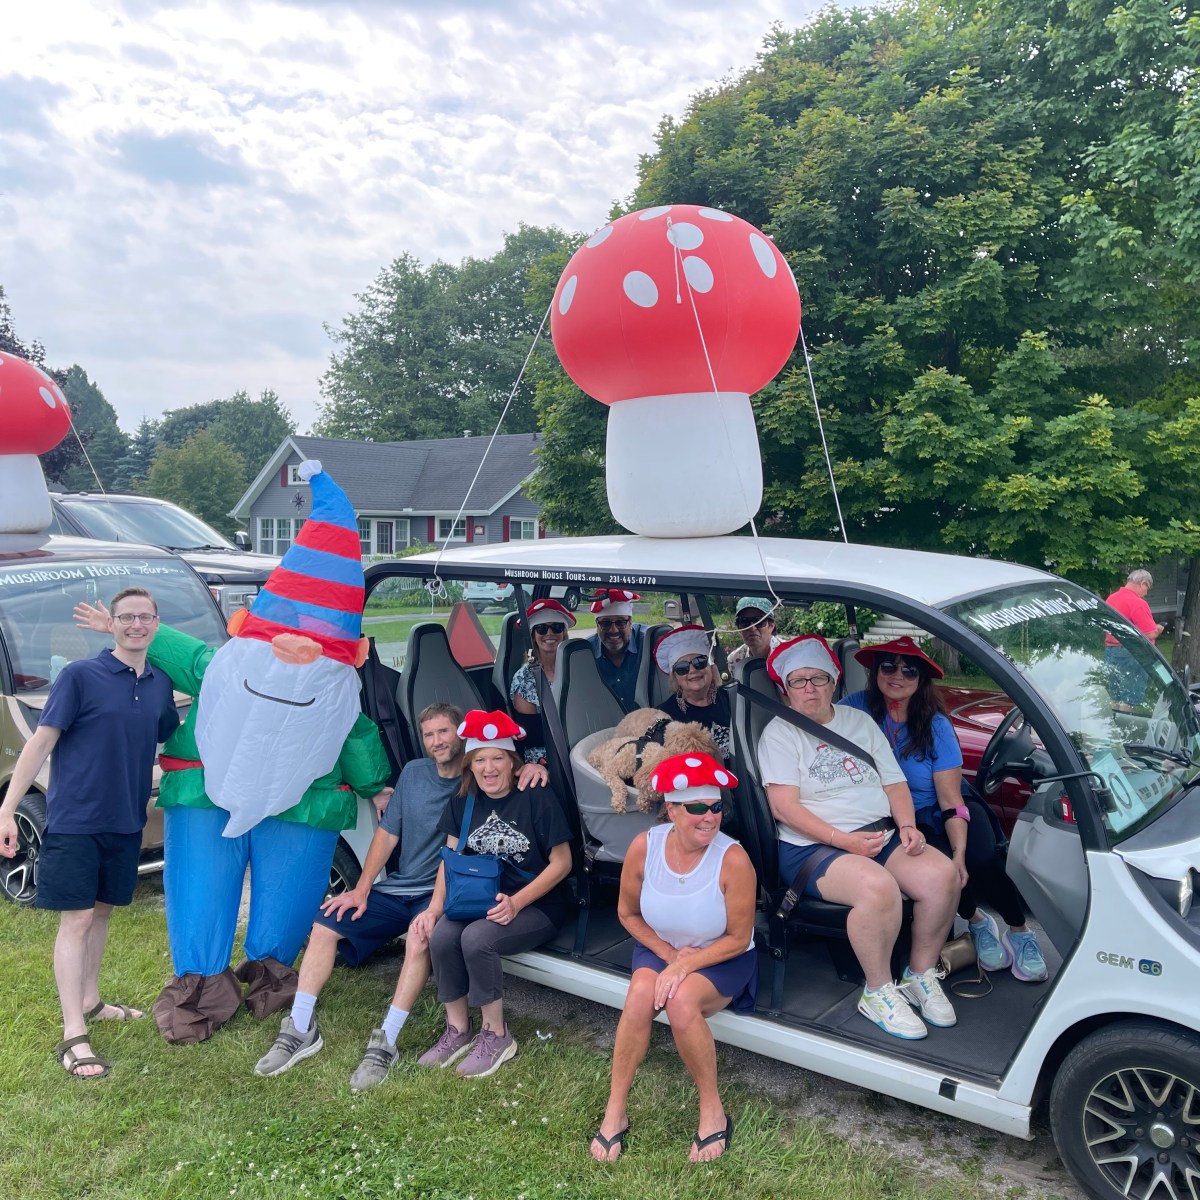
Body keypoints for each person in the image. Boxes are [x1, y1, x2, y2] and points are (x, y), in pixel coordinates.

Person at [253, 702, 550, 1087]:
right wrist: (361, 890)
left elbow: (503, 767)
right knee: (327, 923)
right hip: (400, 887)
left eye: (444, 732)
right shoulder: (413, 774)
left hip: (442, 893)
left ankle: (386, 1042)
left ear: (461, 735)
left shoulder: (476, 778)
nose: (437, 741)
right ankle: (299, 1027)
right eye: (429, 734)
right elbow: (387, 834)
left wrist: (532, 765)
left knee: (420, 937)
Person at [0, 587, 180, 1078]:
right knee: (76, 920)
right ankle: (73, 1033)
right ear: (112, 624)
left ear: (156, 623)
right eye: (126, 617)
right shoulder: (80, 677)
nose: (136, 625)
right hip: (77, 820)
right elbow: (39, 745)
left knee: (101, 912)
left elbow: (166, 734)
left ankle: (93, 1000)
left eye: (145, 617)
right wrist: (8, 809)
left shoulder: (160, 685)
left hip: (126, 820)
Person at [757, 635, 960, 1040]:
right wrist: (843, 840)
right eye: (799, 681)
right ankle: (878, 990)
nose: (810, 688)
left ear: (835, 682)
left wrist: (907, 826)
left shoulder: (859, 723)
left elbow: (894, 782)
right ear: (785, 688)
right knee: (878, 888)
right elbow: (784, 808)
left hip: (877, 834)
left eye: (819, 678)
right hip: (810, 847)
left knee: (943, 876)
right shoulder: (779, 734)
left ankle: (919, 974)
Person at [841, 637, 1048, 983]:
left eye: (910, 669)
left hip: (948, 807)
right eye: (888, 666)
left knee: (975, 860)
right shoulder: (854, 709)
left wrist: (959, 852)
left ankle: (1019, 930)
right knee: (938, 872)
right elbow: (817, 724)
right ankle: (978, 922)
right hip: (900, 817)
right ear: (875, 671)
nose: (898, 675)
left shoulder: (934, 723)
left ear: (922, 678)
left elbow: (950, 799)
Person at [590, 753, 755, 1165]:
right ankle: (616, 1110)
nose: (709, 817)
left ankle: (712, 1109)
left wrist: (682, 966)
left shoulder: (733, 859)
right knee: (638, 997)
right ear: (671, 809)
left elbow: (740, 937)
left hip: (721, 954)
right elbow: (626, 913)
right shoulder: (645, 846)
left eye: (716, 806)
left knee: (681, 1003)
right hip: (661, 946)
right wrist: (667, 955)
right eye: (697, 808)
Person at [419, 710, 573, 1077]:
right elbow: (450, 859)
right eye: (480, 760)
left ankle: (496, 1035)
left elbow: (562, 863)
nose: (489, 768)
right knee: (441, 937)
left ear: (512, 763)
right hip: (483, 899)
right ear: (470, 766)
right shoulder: (464, 801)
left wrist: (517, 902)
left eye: (497, 758)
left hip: (537, 903)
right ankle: (457, 1030)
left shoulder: (536, 796)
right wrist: (434, 908)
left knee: (476, 939)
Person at [509, 598, 575, 764]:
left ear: (564, 633)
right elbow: (532, 734)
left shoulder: (576, 669)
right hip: (544, 755)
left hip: (578, 745)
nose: (550, 633)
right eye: (541, 628)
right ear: (533, 635)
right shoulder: (524, 678)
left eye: (557, 627)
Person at [653, 624, 732, 759]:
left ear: (711, 667)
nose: (692, 670)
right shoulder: (663, 716)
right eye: (682, 667)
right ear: (675, 678)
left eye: (699, 662)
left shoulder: (732, 699)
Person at [1104, 569, 1165, 709]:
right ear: (1143, 584)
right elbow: (1150, 634)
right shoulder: (1138, 603)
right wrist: (1159, 629)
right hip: (1131, 654)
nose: (1146, 593)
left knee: (1115, 696)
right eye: (1147, 588)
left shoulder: (1111, 598)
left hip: (1110, 651)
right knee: (1129, 699)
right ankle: (1127, 727)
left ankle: (1114, 727)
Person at [586, 589, 646, 710]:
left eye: (620, 622)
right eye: (605, 623)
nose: (613, 630)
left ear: (630, 623)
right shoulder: (585, 653)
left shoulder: (648, 643)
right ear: (597, 625)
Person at [725, 597, 783, 670]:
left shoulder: (789, 654)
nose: (752, 628)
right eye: (744, 622)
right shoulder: (734, 659)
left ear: (771, 626)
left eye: (759, 621)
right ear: (739, 627)